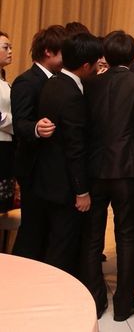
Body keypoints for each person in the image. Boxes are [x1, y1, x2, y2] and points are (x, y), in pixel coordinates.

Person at [81, 30, 134, 321]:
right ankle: (124, 304)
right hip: (127, 170)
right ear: (133, 55)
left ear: (106, 55)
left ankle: (96, 299)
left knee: (92, 237)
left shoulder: (91, 83)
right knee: (127, 236)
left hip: (94, 168)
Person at [28, 33, 103, 274]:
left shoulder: (53, 82)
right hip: (64, 186)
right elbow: (75, 147)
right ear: (86, 66)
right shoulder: (72, 95)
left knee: (53, 243)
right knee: (62, 248)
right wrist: (82, 191)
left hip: (47, 180)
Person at [11, 24, 67, 258]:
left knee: (46, 230)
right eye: (63, 52)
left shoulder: (58, 80)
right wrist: (36, 127)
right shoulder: (27, 81)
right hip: (33, 168)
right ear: (48, 52)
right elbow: (20, 123)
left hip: (51, 168)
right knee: (32, 230)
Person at [0, 31, 14, 213]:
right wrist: (17, 123)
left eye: (11, 47)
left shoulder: (3, 79)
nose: (10, 51)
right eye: (6, 47)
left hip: (6, 144)